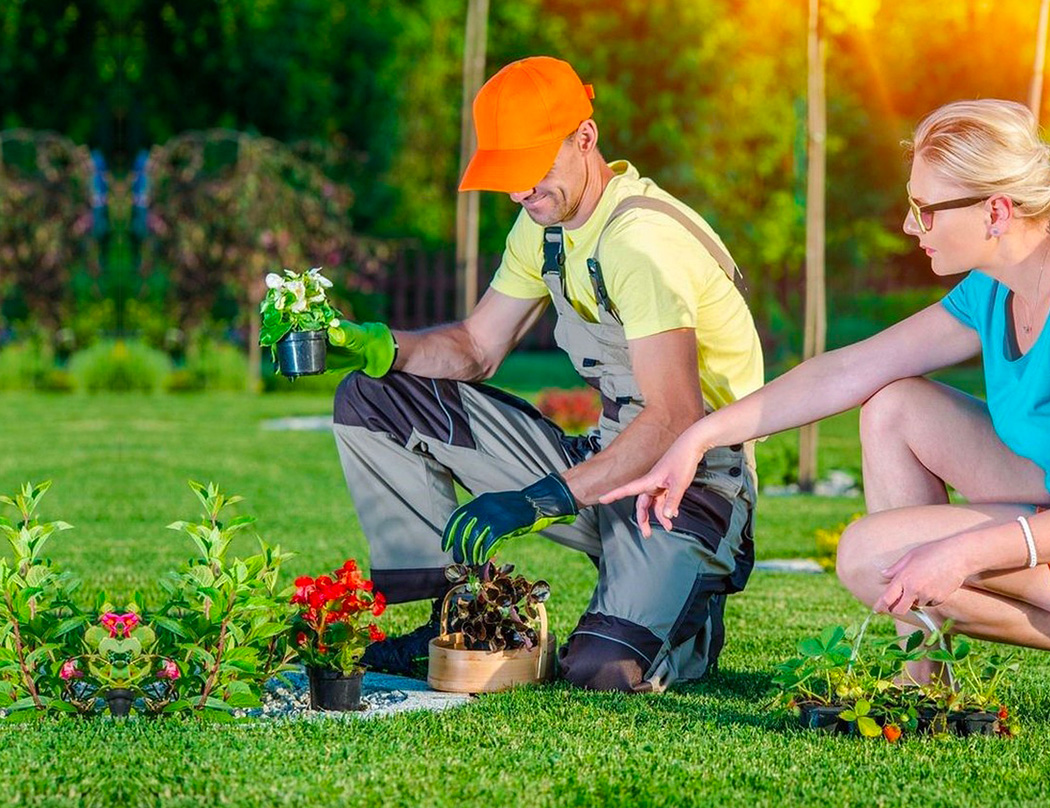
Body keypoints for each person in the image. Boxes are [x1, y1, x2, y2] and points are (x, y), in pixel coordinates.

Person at [325, 56, 764, 692]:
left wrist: (539, 501)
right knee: (377, 397)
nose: (518, 192)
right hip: (608, 451)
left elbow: (675, 418)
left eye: (530, 169)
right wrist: (378, 347)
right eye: (507, 175)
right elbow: (476, 347)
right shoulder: (546, 224)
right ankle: (452, 616)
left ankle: (685, 620)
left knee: (601, 671)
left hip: (694, 482)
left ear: (584, 139)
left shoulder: (640, 243)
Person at [601, 99, 1050, 673]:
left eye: (927, 209)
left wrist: (962, 551)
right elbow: (847, 371)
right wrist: (698, 439)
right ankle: (921, 683)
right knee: (893, 406)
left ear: (996, 211)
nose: (911, 225)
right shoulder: (991, 289)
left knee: (872, 555)